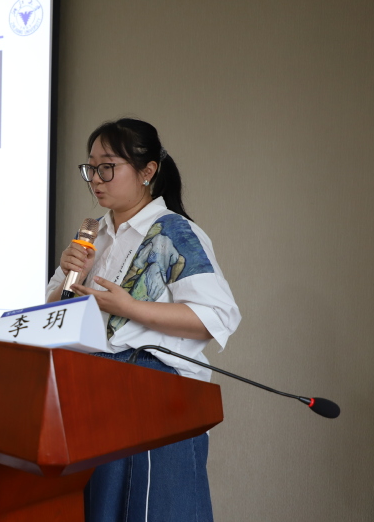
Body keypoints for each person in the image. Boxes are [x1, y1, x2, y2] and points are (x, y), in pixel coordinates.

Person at [45, 118, 241, 522]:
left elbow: (217, 316)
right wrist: (67, 277)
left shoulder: (174, 233)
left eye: (107, 167)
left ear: (147, 171)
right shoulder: (93, 235)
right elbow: (51, 316)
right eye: (90, 168)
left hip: (157, 404)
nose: (95, 179)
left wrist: (129, 307)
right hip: (95, 397)